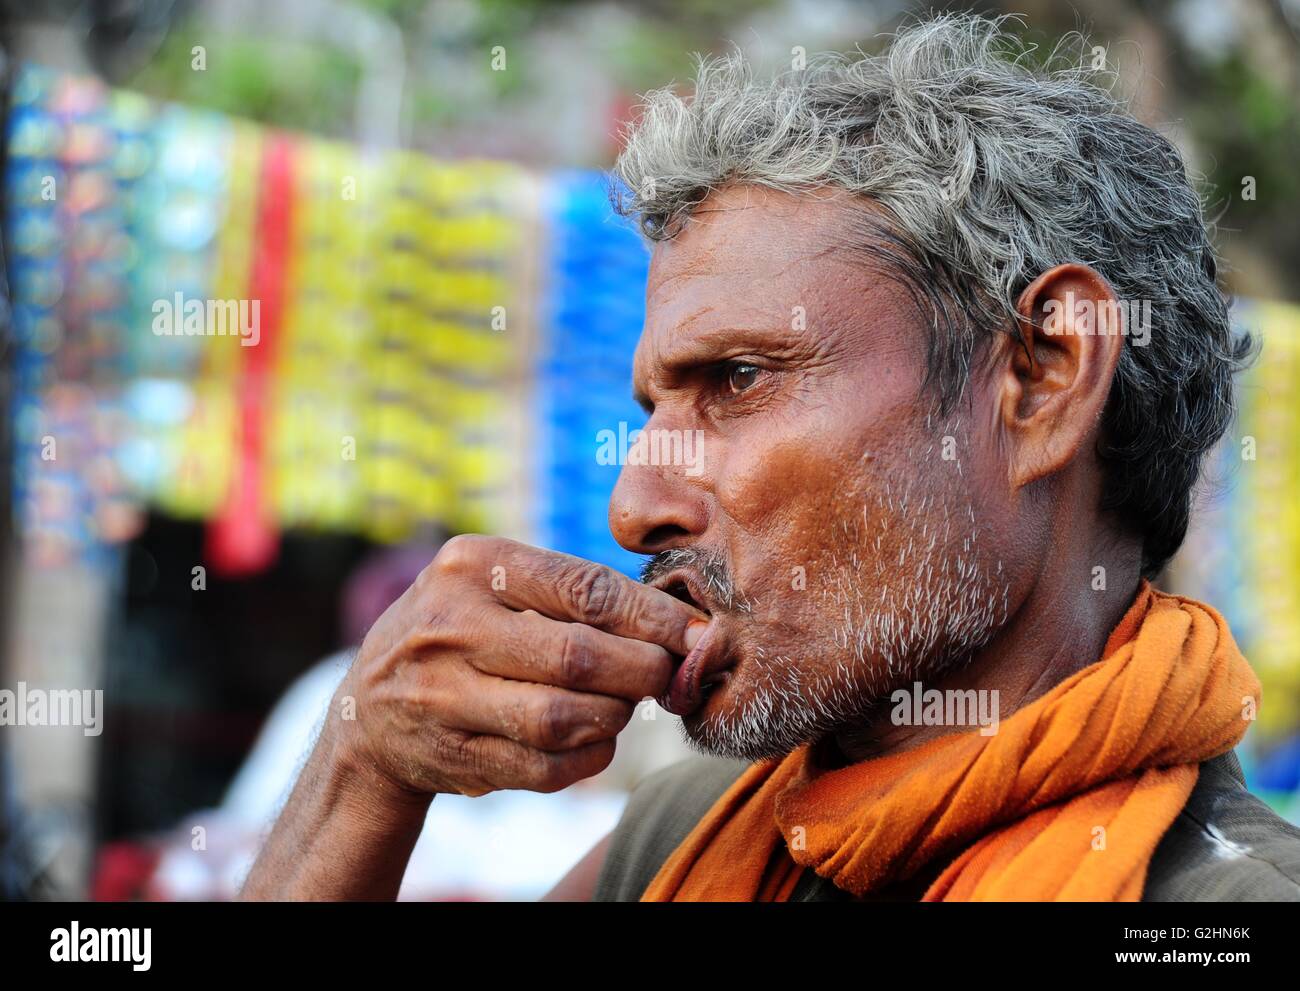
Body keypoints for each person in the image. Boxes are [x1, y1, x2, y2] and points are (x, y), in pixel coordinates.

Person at [240, 14, 1300, 902]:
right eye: (654, 403)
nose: (631, 504)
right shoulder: (682, 838)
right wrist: (359, 769)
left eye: (738, 380)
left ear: (1041, 375)